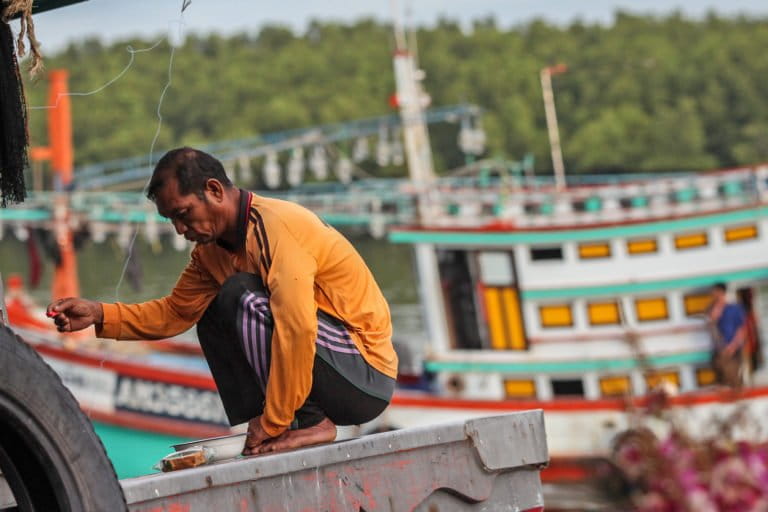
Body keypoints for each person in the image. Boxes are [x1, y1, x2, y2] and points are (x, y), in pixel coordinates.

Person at [47, 147, 397, 455]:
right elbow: (175, 313)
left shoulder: (276, 227)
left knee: (240, 294)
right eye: (172, 221)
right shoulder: (209, 254)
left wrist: (276, 420)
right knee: (212, 310)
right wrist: (98, 314)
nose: (180, 230)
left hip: (365, 374)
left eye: (184, 214)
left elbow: (297, 328)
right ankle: (268, 420)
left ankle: (303, 422)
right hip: (331, 368)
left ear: (214, 191)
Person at [708, 282, 746, 386]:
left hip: (733, 347)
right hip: (719, 348)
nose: (713, 295)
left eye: (714, 292)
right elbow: (711, 324)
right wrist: (717, 309)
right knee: (720, 373)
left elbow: (741, 328)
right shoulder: (712, 309)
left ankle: (739, 393)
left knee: (733, 373)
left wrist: (733, 346)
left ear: (721, 292)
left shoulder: (735, 308)